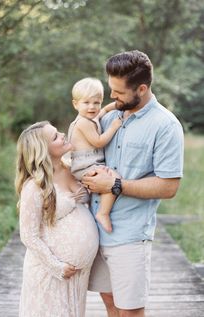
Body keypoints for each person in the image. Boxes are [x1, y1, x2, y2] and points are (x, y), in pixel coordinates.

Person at [82, 50, 184, 317]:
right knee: (110, 304)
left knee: (129, 311)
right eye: (110, 89)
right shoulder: (107, 118)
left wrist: (115, 185)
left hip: (129, 234)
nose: (112, 97)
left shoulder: (166, 126)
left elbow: (168, 186)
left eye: (119, 92)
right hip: (94, 231)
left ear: (142, 88)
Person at [15, 121, 99, 317]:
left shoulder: (72, 168)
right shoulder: (35, 187)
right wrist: (57, 267)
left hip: (77, 278)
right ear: (43, 150)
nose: (62, 134)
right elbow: (28, 235)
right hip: (50, 275)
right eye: (55, 136)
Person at [68, 77, 122, 232]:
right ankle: (103, 213)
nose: (92, 107)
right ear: (75, 104)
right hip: (84, 167)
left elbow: (104, 111)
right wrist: (114, 126)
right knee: (114, 178)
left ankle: (94, 212)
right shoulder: (83, 122)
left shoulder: (91, 116)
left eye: (97, 102)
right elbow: (98, 142)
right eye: (86, 103)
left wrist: (117, 105)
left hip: (89, 164)